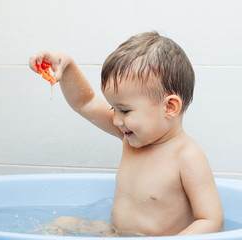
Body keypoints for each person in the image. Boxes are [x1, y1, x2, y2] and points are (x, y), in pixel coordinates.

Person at [29, 31, 224, 236]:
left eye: (124, 110)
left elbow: (211, 220)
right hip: (117, 234)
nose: (116, 120)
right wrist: (67, 66)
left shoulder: (187, 157)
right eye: (114, 109)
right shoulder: (131, 137)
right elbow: (85, 103)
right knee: (61, 222)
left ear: (169, 107)